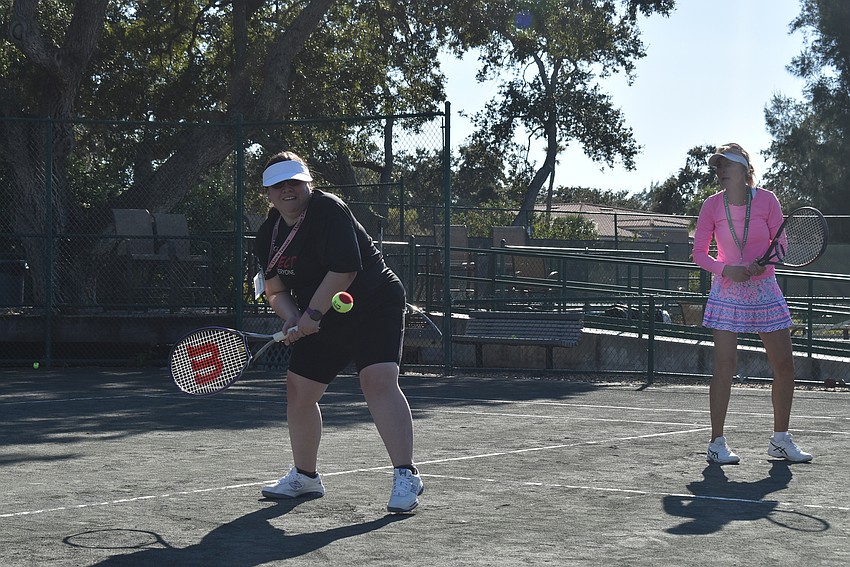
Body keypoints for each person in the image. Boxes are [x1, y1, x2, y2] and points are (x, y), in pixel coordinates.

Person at [253, 150, 423, 512]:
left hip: (374, 305)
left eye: (295, 182)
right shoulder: (268, 233)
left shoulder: (329, 209)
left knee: (377, 381)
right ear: (268, 192)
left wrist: (311, 313)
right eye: (279, 185)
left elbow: (345, 271)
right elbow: (274, 289)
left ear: (307, 184)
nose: (288, 190)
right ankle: (305, 477)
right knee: (299, 390)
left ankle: (406, 475)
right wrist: (292, 316)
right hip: (323, 315)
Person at [693, 142, 812, 465]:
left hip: (765, 289)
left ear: (744, 170)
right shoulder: (711, 206)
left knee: (785, 364)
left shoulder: (768, 201)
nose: (720, 170)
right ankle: (717, 443)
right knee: (725, 366)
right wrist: (725, 269)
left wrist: (765, 264)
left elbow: (782, 246)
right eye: (718, 166)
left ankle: (780, 441)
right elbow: (699, 254)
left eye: (726, 164)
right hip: (727, 290)